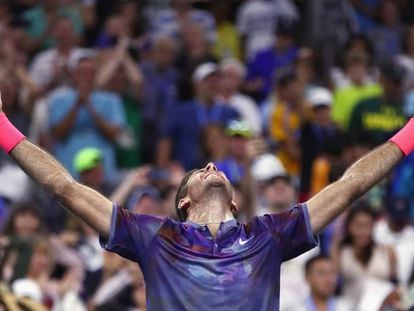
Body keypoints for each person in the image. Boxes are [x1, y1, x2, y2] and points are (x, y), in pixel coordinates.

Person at [1, 90, 414, 310]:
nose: (213, 164)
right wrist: (3, 127)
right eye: (201, 170)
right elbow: (65, 187)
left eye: (215, 168)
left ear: (236, 203)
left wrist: (410, 133)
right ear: (183, 202)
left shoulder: (269, 234)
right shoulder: (155, 237)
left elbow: (350, 186)